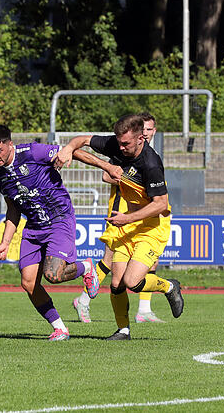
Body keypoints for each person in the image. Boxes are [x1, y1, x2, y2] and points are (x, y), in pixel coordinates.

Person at [0, 124, 121, 341]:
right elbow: (13, 208)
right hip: (34, 226)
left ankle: (86, 267)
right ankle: (60, 328)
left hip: (59, 217)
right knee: (28, 283)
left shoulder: (31, 152)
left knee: (53, 275)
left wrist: (107, 167)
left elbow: (72, 152)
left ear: (10, 144)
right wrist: (5, 241)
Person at [55, 114, 183, 340]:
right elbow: (82, 141)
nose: (121, 147)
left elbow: (161, 204)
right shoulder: (116, 143)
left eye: (127, 144)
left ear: (141, 139)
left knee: (132, 282)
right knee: (116, 283)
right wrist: (67, 148)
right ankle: (123, 329)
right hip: (128, 222)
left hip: (152, 226)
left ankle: (168, 287)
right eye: (119, 142)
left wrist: (128, 219)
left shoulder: (151, 163)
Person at [72, 112, 165, 323]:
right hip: (120, 209)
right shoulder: (124, 149)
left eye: (150, 130)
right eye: (145, 129)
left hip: (140, 216)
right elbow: (108, 174)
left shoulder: (150, 156)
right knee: (111, 262)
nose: (148, 133)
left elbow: (157, 197)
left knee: (149, 263)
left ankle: (144, 309)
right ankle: (84, 300)